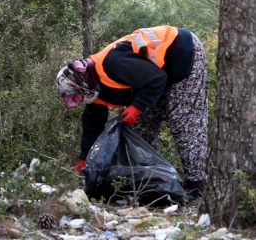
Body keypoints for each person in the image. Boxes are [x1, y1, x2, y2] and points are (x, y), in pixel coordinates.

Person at [56, 26, 208, 202]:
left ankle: (196, 184)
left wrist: (136, 106)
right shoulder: (94, 90)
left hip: (182, 51)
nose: (81, 100)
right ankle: (150, 183)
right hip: (154, 75)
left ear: (84, 83)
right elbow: (92, 127)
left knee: (184, 122)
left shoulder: (114, 64)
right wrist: (84, 160)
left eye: (78, 96)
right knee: (138, 131)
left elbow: (157, 79)